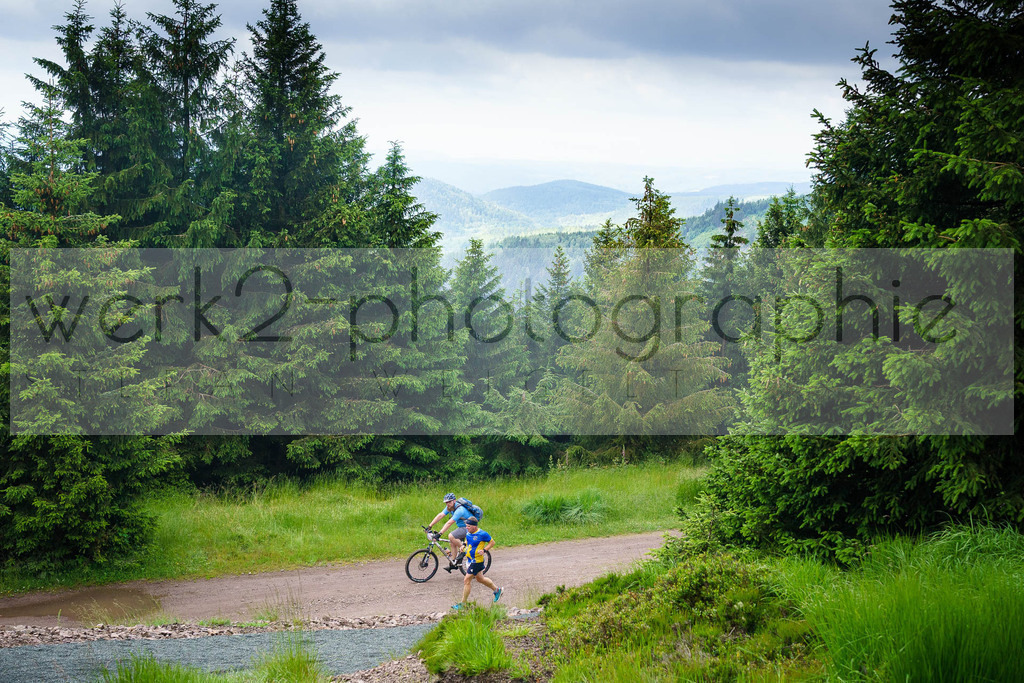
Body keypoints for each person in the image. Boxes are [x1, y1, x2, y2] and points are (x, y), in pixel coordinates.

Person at [452, 517, 502, 610]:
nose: (467, 528)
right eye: (466, 526)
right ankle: (497, 590)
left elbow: (492, 542)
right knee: (480, 579)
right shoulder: (468, 532)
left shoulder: (482, 534)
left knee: (466, 580)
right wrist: (463, 545)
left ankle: (463, 604)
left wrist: (484, 550)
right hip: (470, 560)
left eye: (469, 526)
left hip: (477, 561)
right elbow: (467, 540)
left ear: (474, 526)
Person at [426, 492, 472, 571]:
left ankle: (464, 550)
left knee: (451, 536)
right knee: (452, 542)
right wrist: (429, 526)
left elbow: (449, 522)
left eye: (449, 502)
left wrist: (440, 534)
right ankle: (454, 562)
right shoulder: (450, 507)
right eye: (446, 502)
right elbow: (441, 515)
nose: (448, 504)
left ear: (454, 501)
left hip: (469, 527)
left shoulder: (460, 509)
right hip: (462, 527)